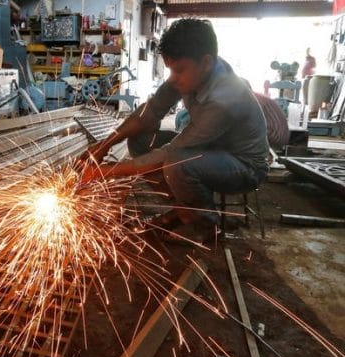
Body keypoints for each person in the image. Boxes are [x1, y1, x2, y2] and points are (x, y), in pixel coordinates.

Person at [79, 18, 269, 242]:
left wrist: (103, 172)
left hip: (244, 165)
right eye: (170, 69)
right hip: (209, 149)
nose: (172, 78)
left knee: (177, 165)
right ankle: (185, 208)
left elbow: (168, 154)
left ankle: (205, 227)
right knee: (140, 142)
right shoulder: (196, 69)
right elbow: (148, 114)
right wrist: (103, 145)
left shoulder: (223, 100)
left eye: (178, 70)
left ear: (206, 63)